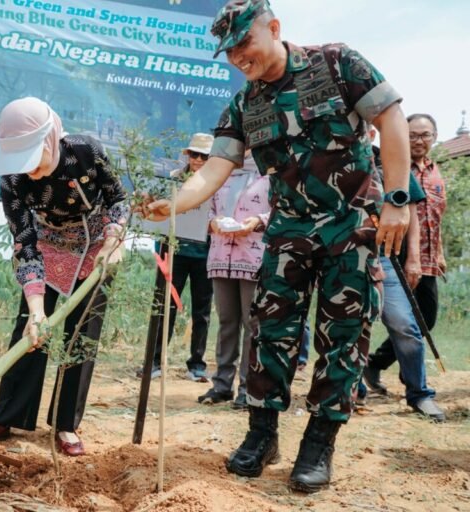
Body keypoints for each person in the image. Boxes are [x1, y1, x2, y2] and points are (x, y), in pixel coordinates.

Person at [145, 0, 410, 492]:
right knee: (270, 334)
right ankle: (262, 434)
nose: (238, 57)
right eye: (229, 51)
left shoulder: (337, 64)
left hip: (348, 228)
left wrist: (396, 199)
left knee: (344, 338)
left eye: (244, 43)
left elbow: (392, 120)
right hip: (286, 233)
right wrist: (173, 203)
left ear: (273, 28)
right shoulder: (247, 105)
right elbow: (213, 169)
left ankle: (318, 444)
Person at [0, 97, 127, 456]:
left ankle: (66, 425)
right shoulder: (12, 180)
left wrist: (114, 238)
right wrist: (36, 305)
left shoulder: (85, 151)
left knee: (80, 338)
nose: (30, 170)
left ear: (50, 137)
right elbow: (24, 242)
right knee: (31, 331)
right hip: (48, 247)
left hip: (96, 247)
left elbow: (118, 199)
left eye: (32, 158)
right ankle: (6, 415)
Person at [364, 113, 446, 405]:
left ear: (370, 134)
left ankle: (419, 393)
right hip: (345, 255)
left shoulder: (390, 161)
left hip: (387, 256)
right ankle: (352, 389)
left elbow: (410, 211)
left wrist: (417, 256)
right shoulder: (327, 162)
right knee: (352, 325)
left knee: (405, 324)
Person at [140, 133, 216, 383]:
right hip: (173, 251)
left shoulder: (216, 184)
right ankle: (154, 361)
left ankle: (197, 365)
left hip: (205, 253)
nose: (198, 160)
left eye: (204, 156)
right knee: (163, 307)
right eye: (194, 154)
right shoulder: (172, 180)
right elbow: (158, 214)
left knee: (201, 311)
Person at [197, 152, 269, 409]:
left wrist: (257, 222)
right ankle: (221, 384)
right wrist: (213, 222)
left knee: (252, 324)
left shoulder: (270, 176)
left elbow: (282, 211)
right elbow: (204, 211)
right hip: (220, 256)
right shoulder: (219, 175)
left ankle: (247, 387)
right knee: (226, 322)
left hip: (252, 258)